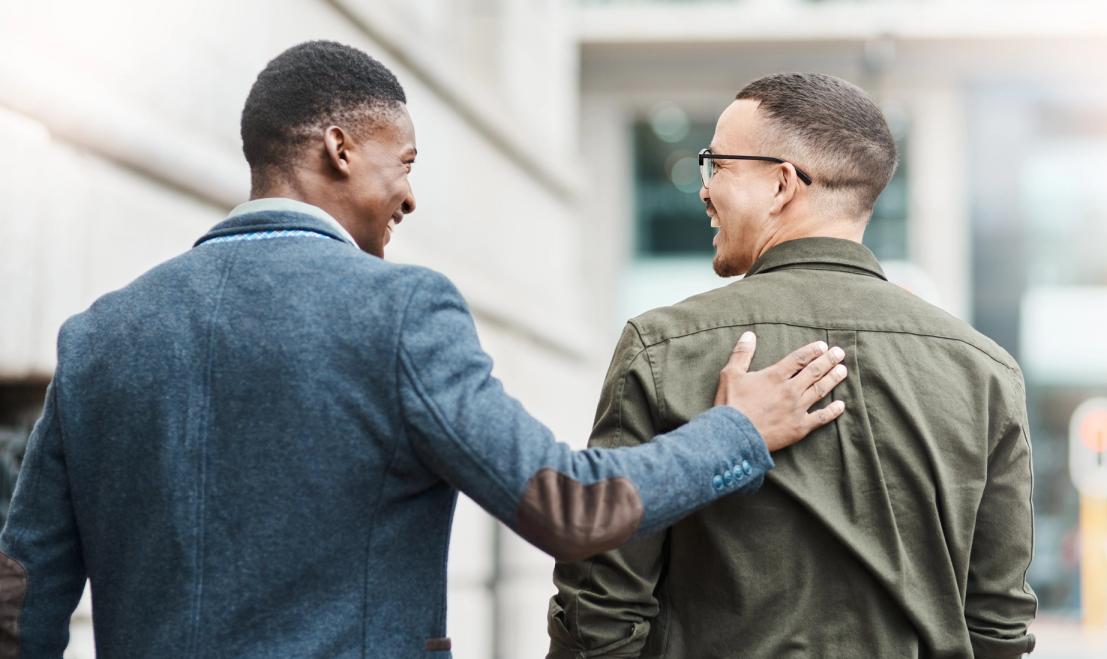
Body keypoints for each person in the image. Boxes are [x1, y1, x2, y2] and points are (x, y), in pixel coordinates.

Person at [0, 44, 851, 658]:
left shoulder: (101, 336)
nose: (409, 195)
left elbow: (20, 600)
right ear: (338, 147)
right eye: (402, 161)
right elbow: (569, 507)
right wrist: (737, 430)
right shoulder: (401, 312)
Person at [548, 73, 1037, 658]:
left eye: (717, 166)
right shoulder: (985, 373)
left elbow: (601, 608)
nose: (703, 190)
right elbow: (998, 624)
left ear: (782, 184)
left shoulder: (664, 348)